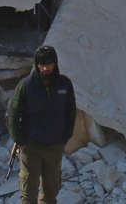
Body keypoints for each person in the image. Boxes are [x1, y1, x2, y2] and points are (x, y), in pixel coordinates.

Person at [7, 45, 76, 204]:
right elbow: (13, 114)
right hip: (31, 147)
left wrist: (66, 136)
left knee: (51, 193)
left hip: (54, 146)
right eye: (42, 64)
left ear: (55, 63)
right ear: (37, 65)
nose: (45, 68)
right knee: (28, 193)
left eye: (49, 64)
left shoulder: (64, 84)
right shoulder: (26, 86)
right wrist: (19, 140)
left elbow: (71, 111)